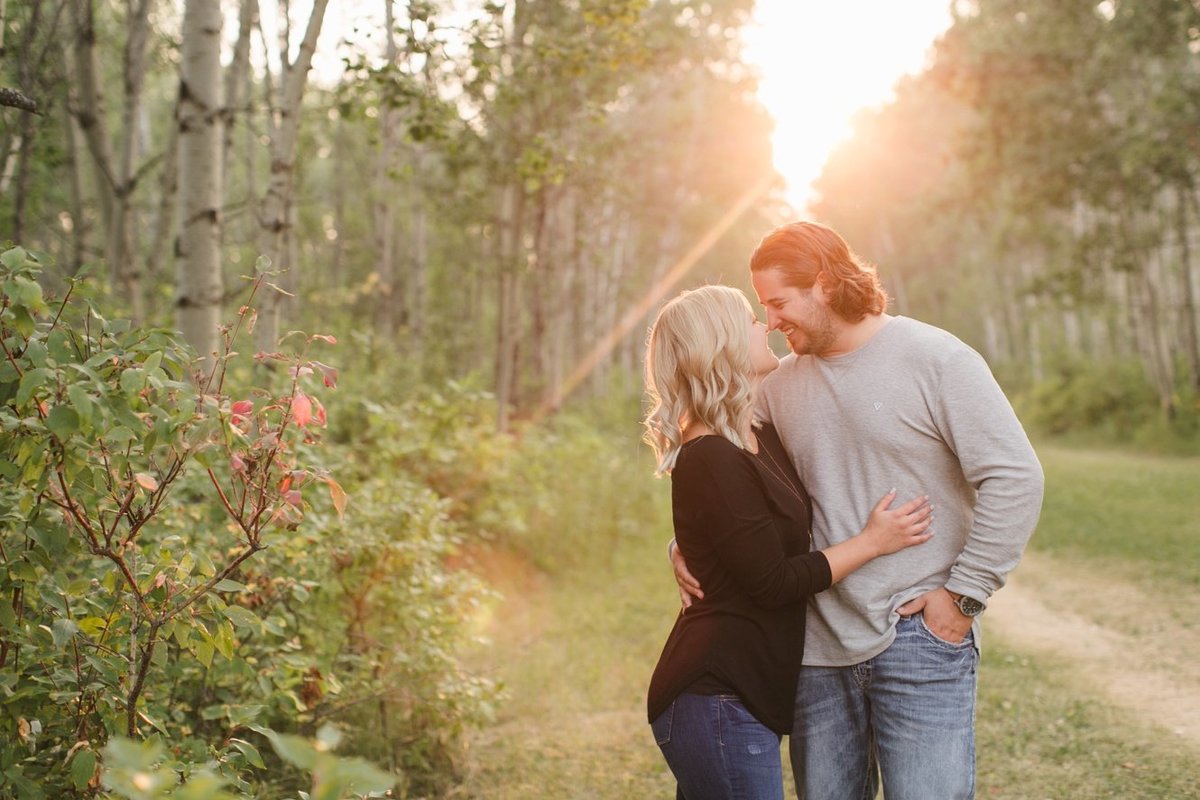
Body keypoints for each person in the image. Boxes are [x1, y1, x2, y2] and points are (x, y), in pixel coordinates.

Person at [671, 222, 1046, 800]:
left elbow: (1015, 477)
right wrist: (683, 545)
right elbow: (721, 481)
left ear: (822, 284)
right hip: (814, 649)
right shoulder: (777, 386)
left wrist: (965, 595)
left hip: (919, 634)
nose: (769, 321)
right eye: (762, 309)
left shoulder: (936, 358)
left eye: (778, 302)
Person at [644, 284, 935, 800]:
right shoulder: (710, 454)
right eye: (750, 320)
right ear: (724, 342)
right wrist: (872, 542)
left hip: (739, 698)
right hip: (716, 695)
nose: (766, 325)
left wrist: (683, 544)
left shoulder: (753, 434)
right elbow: (773, 581)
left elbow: (736, 531)